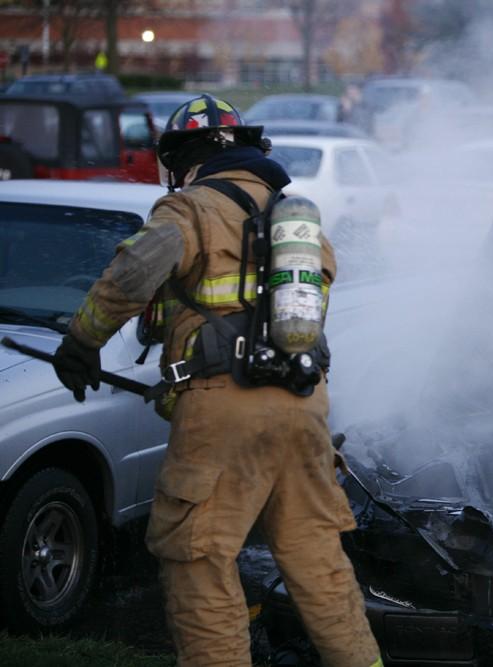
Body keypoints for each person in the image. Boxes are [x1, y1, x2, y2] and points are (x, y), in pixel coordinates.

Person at [51, 94, 382, 667]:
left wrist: (82, 343)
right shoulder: (293, 220)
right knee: (317, 560)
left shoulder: (190, 208)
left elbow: (132, 274)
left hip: (223, 407)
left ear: (185, 156)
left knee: (198, 557)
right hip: (304, 405)